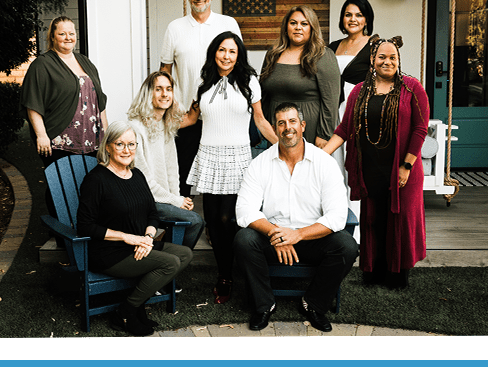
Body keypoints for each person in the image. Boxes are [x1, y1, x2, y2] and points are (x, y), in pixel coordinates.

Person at [234, 102, 358, 332]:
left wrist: (297, 235)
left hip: (311, 238)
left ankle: (313, 304)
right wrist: (276, 233)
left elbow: (337, 216)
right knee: (244, 239)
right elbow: (244, 210)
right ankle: (264, 305)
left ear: (302, 126)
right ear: (275, 128)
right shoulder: (260, 164)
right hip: (274, 238)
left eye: (292, 122)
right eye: (281, 123)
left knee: (347, 246)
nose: (287, 128)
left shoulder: (324, 164)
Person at [323, 36, 429, 289]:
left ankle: (397, 276)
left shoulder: (412, 88)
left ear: (399, 60)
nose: (387, 61)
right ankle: (373, 273)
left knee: (399, 222)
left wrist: (406, 166)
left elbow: (420, 129)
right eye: (382, 57)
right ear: (372, 60)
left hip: (401, 170)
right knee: (373, 220)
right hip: (370, 169)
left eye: (392, 57)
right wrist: (321, 154)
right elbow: (345, 128)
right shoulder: (360, 91)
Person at [183, 31, 277, 305]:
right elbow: (191, 117)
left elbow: (260, 121)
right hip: (210, 157)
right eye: (222, 50)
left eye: (232, 51)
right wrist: (155, 124)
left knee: (232, 220)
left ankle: (241, 272)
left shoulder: (249, 82)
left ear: (239, 55)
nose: (226, 56)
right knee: (213, 223)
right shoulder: (203, 82)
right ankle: (224, 275)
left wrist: (286, 145)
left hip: (238, 159)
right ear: (214, 52)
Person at [77, 121, 193, 336]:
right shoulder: (96, 180)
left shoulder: (137, 175)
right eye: (120, 144)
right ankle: (126, 312)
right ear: (108, 146)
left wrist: (147, 237)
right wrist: (128, 238)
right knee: (170, 263)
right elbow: (85, 226)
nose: (126, 150)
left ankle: (130, 307)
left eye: (131, 144)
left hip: (139, 244)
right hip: (109, 252)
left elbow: (152, 213)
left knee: (184, 253)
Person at [160, 0, 242, 197]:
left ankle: (217, 227)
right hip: (187, 115)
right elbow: (164, 72)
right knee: (182, 174)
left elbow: (239, 64)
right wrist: (172, 105)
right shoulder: (175, 28)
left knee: (218, 179)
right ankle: (183, 225)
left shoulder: (228, 24)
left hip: (220, 116)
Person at [20, 16, 109, 220]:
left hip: (91, 140)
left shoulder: (85, 61)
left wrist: (106, 134)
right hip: (59, 140)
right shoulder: (43, 64)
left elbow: (100, 102)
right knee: (61, 185)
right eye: (62, 33)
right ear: (52, 37)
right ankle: (61, 233)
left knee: (89, 185)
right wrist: (41, 135)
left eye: (71, 33)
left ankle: (85, 227)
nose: (68, 37)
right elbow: (33, 102)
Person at [127, 71, 205, 250]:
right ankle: (167, 259)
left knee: (190, 219)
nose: (165, 94)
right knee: (195, 221)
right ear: (149, 94)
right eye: (159, 89)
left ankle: (162, 257)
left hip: (160, 199)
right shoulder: (136, 128)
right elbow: (142, 181)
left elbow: (172, 169)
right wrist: (175, 201)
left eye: (169, 89)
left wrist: (177, 199)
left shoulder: (165, 124)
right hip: (143, 201)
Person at [259, 5, 340, 148]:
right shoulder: (273, 53)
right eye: (293, 23)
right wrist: (267, 124)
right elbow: (264, 92)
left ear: (312, 28)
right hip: (276, 129)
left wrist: (324, 134)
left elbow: (331, 100)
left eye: (304, 23)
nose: (298, 27)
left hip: (309, 129)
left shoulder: (323, 55)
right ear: (286, 27)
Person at [328, 0, 376, 232]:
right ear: (342, 18)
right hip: (332, 112)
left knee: (357, 169)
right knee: (334, 168)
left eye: (358, 14)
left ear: (366, 18)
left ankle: (360, 229)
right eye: (348, 14)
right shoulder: (332, 47)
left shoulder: (376, 45)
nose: (353, 19)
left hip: (360, 113)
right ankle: (338, 223)